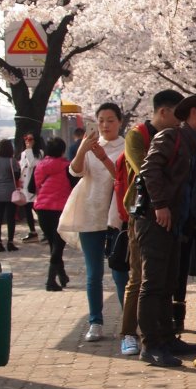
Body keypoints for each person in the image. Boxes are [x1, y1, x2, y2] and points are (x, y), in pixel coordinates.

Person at [133, 92, 196, 367]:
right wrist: (160, 204)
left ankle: (166, 337)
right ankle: (150, 345)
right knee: (153, 284)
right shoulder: (170, 137)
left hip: (175, 224)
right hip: (155, 220)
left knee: (169, 282)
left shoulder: (195, 145)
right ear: (193, 114)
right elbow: (149, 171)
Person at [117, 89, 182, 357]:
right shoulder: (137, 135)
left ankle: (163, 334)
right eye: (177, 114)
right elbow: (145, 167)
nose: (180, 121)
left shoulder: (175, 136)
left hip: (167, 211)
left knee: (165, 279)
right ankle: (129, 333)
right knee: (139, 276)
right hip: (143, 211)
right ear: (163, 112)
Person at [64, 104, 127, 342]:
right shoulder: (90, 146)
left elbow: (123, 179)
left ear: (119, 122)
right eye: (101, 120)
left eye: (110, 120)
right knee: (93, 273)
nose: (105, 125)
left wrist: (102, 156)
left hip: (115, 217)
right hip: (90, 213)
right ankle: (95, 322)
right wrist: (83, 150)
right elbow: (75, 171)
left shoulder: (126, 146)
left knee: (121, 272)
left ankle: (128, 323)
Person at [33, 137, 73, 291]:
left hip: (42, 209)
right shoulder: (68, 167)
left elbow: (33, 186)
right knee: (58, 245)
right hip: (59, 210)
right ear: (62, 151)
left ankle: (62, 275)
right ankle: (50, 281)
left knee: (54, 244)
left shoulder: (40, 166)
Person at [0, 139, 21, 253]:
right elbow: (17, 176)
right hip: (10, 193)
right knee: (11, 218)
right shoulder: (12, 161)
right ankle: (10, 243)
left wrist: (0, 178)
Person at [18, 133, 43, 242]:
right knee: (27, 209)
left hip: (34, 184)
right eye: (26, 138)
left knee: (37, 208)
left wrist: (29, 150)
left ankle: (47, 229)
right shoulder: (23, 153)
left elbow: (33, 163)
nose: (27, 141)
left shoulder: (40, 153)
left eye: (30, 139)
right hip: (24, 185)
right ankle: (32, 232)